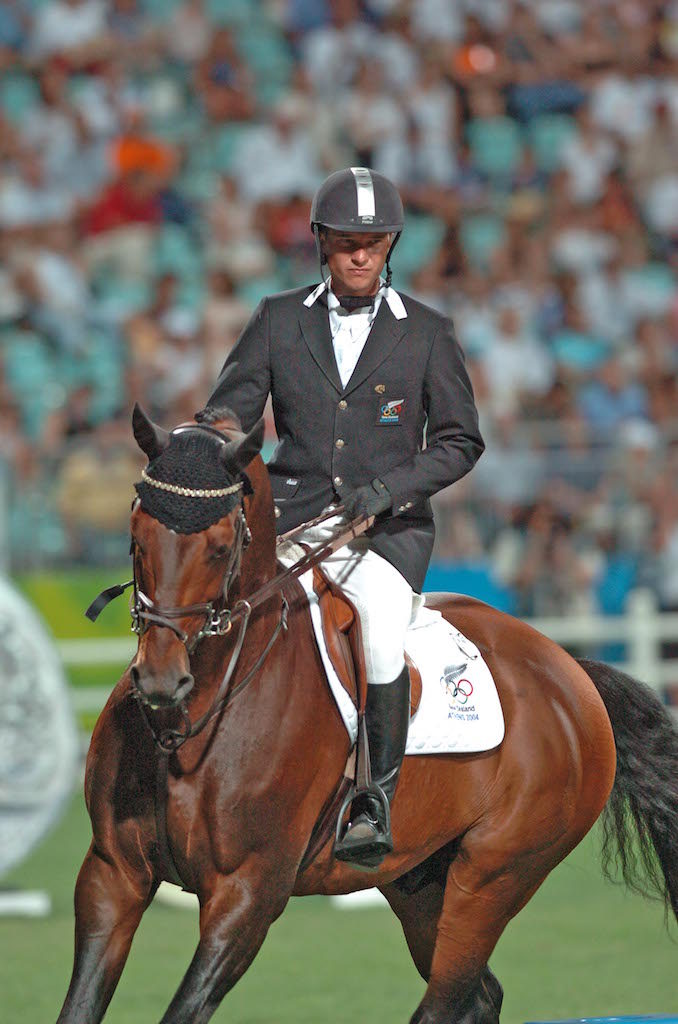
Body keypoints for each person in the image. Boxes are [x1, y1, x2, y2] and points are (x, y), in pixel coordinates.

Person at [201, 167, 484, 867]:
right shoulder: (277, 318)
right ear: (322, 243)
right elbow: (232, 406)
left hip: (384, 534)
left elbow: (458, 441)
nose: (361, 256)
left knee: (383, 633)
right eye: (347, 242)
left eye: (375, 242)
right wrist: (218, 432)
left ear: (392, 245)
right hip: (293, 518)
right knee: (206, 605)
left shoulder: (427, 332)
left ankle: (372, 800)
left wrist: (389, 489)